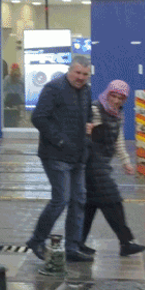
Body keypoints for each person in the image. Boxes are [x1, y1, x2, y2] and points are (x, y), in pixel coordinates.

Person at [26, 56, 94, 263]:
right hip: (56, 154)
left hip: (78, 155)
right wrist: (60, 141)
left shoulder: (86, 90)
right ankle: (37, 240)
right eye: (78, 73)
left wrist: (89, 129)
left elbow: (88, 115)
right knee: (61, 199)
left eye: (85, 74)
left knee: (79, 200)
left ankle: (72, 247)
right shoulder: (53, 88)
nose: (81, 78)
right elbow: (38, 117)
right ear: (69, 70)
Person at [80, 79, 145, 257]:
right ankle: (126, 242)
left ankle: (77, 244)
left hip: (102, 163)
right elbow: (83, 132)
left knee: (90, 206)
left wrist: (126, 161)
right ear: (107, 93)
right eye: (114, 95)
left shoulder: (118, 114)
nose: (116, 100)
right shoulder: (95, 110)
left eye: (120, 97)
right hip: (92, 164)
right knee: (113, 200)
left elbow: (118, 140)